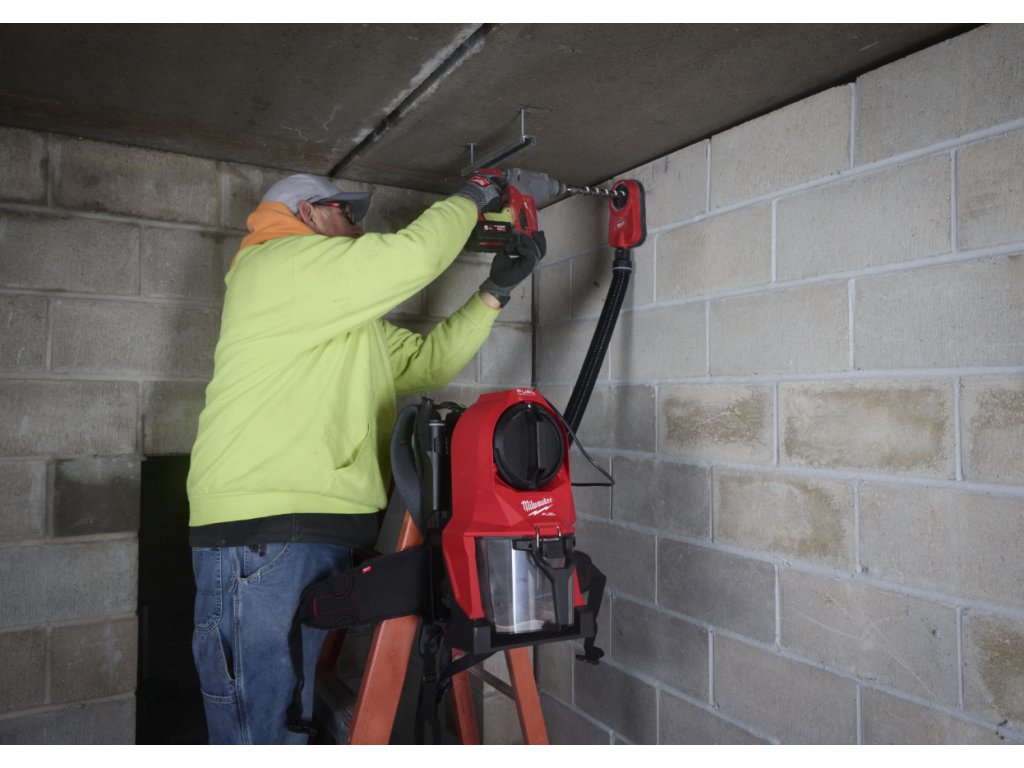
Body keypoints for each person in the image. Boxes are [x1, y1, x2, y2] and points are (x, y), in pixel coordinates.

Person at [186, 170, 545, 744]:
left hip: (309, 531)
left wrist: (494, 292)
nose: (357, 228)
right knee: (259, 728)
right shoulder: (274, 265)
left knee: (290, 716)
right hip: (262, 531)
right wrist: (477, 192)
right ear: (306, 213)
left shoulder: (342, 316)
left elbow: (428, 363)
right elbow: (411, 257)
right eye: (346, 214)